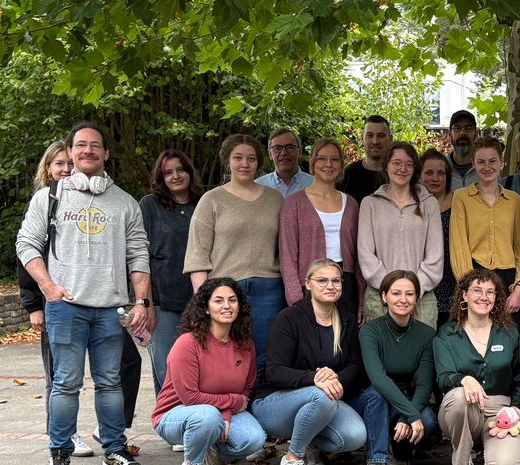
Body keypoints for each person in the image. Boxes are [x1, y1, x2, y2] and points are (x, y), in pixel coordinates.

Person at [17, 123, 152, 465]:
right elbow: (27, 244)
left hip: (110, 309)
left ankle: (115, 450)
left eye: (95, 145)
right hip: (66, 308)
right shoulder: (49, 197)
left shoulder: (125, 202)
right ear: (70, 151)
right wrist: (47, 287)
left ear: (106, 153)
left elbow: (139, 254)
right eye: (80, 145)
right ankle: (58, 455)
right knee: (65, 383)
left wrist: (141, 301)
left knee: (110, 383)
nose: (88, 150)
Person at [251, 260, 368, 465]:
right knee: (321, 396)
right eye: (322, 280)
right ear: (307, 283)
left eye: (336, 281)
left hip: (322, 400)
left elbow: (355, 364)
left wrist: (334, 379)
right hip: (274, 403)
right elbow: (274, 371)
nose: (330, 286)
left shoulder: (346, 319)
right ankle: (293, 459)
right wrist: (315, 379)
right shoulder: (289, 318)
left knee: (355, 436)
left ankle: (310, 442)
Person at [17, 142, 97, 457]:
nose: (65, 169)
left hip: (89, 301)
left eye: (69, 164)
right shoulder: (44, 202)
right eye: (58, 164)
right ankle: (63, 435)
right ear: (48, 168)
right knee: (59, 375)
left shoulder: (87, 202)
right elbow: (26, 256)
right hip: (53, 303)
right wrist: (33, 307)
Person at [151, 278, 267, 465]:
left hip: (220, 413)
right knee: (207, 416)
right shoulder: (188, 343)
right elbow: (190, 398)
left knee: (254, 439)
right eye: (218, 301)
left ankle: (210, 452)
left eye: (232, 300)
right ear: (206, 308)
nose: (227, 306)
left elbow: (246, 388)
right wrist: (232, 403)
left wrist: (226, 414)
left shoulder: (245, 344)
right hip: (176, 414)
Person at [185, 134, 285, 372]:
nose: (244, 164)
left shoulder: (275, 199)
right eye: (238, 158)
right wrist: (203, 300)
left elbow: (286, 248)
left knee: (263, 359)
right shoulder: (211, 200)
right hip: (226, 291)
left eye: (251, 158)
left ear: (259, 162)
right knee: (226, 357)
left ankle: (259, 397)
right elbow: (197, 254)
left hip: (269, 291)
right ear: (227, 161)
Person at [434, 269, 520, 465]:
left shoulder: (509, 332)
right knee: (460, 397)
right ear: (464, 295)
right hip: (462, 410)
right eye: (477, 290)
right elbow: (443, 377)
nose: (484, 297)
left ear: (496, 298)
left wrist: (517, 407)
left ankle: (486, 454)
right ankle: (463, 462)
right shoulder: (448, 334)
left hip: (500, 413)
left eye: (490, 292)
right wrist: (464, 379)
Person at [352, 270, 438, 465]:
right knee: (378, 394)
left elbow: (424, 384)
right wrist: (411, 414)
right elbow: (378, 379)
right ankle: (376, 461)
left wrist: (407, 417)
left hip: (401, 400)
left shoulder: (426, 335)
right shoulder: (370, 331)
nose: (403, 299)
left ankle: (400, 452)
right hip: (369, 400)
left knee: (428, 419)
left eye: (409, 294)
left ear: (416, 298)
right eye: (396, 293)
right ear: (384, 296)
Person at [449, 136, 520, 335]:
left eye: (492, 161)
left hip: (508, 279)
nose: (487, 167)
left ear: (501, 163)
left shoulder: (514, 201)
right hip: (475, 274)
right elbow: (459, 247)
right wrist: (470, 288)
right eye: (481, 162)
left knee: (510, 339)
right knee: (478, 338)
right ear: (473, 163)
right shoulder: (461, 197)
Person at [140, 149, 204, 397]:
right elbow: (140, 257)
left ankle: (197, 415)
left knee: (198, 369)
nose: (175, 176)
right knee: (166, 369)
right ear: (161, 177)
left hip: (200, 301)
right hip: (162, 303)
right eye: (168, 173)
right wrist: (146, 304)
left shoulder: (204, 203)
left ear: (189, 172)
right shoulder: (149, 205)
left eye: (180, 170)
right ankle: (168, 416)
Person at [358, 142, 443, 326]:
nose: (402, 169)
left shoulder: (429, 204)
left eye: (408, 164)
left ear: (414, 168)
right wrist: (391, 289)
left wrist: (412, 290)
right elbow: (365, 255)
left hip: (421, 297)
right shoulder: (370, 204)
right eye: (397, 163)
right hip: (380, 297)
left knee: (422, 345)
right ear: (386, 165)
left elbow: (435, 257)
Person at [280, 139, 364, 321]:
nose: (328, 164)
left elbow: (359, 255)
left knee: (346, 335)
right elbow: (287, 255)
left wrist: (361, 300)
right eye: (322, 158)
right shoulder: (294, 204)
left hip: (345, 283)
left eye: (334, 159)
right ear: (312, 161)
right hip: (310, 283)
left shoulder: (351, 204)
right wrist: (296, 300)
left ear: (341, 164)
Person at [419, 148, 456, 328]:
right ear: (419, 176)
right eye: (429, 173)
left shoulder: (459, 202)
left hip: (452, 282)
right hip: (423, 284)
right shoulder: (411, 205)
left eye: (440, 173)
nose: (435, 178)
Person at [338, 115, 392, 204]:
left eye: (381, 136)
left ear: (390, 139)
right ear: (362, 139)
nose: (375, 141)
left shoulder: (397, 175)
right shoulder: (348, 174)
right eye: (370, 135)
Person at [256, 128, 314, 199]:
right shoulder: (258, 187)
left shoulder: (315, 185)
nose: (283, 153)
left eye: (290, 147)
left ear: (300, 152)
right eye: (277, 148)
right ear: (270, 154)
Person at [447, 109, 480, 190]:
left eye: (468, 128)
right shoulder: (441, 168)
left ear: (476, 134)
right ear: (450, 134)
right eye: (457, 128)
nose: (463, 133)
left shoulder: (486, 169)